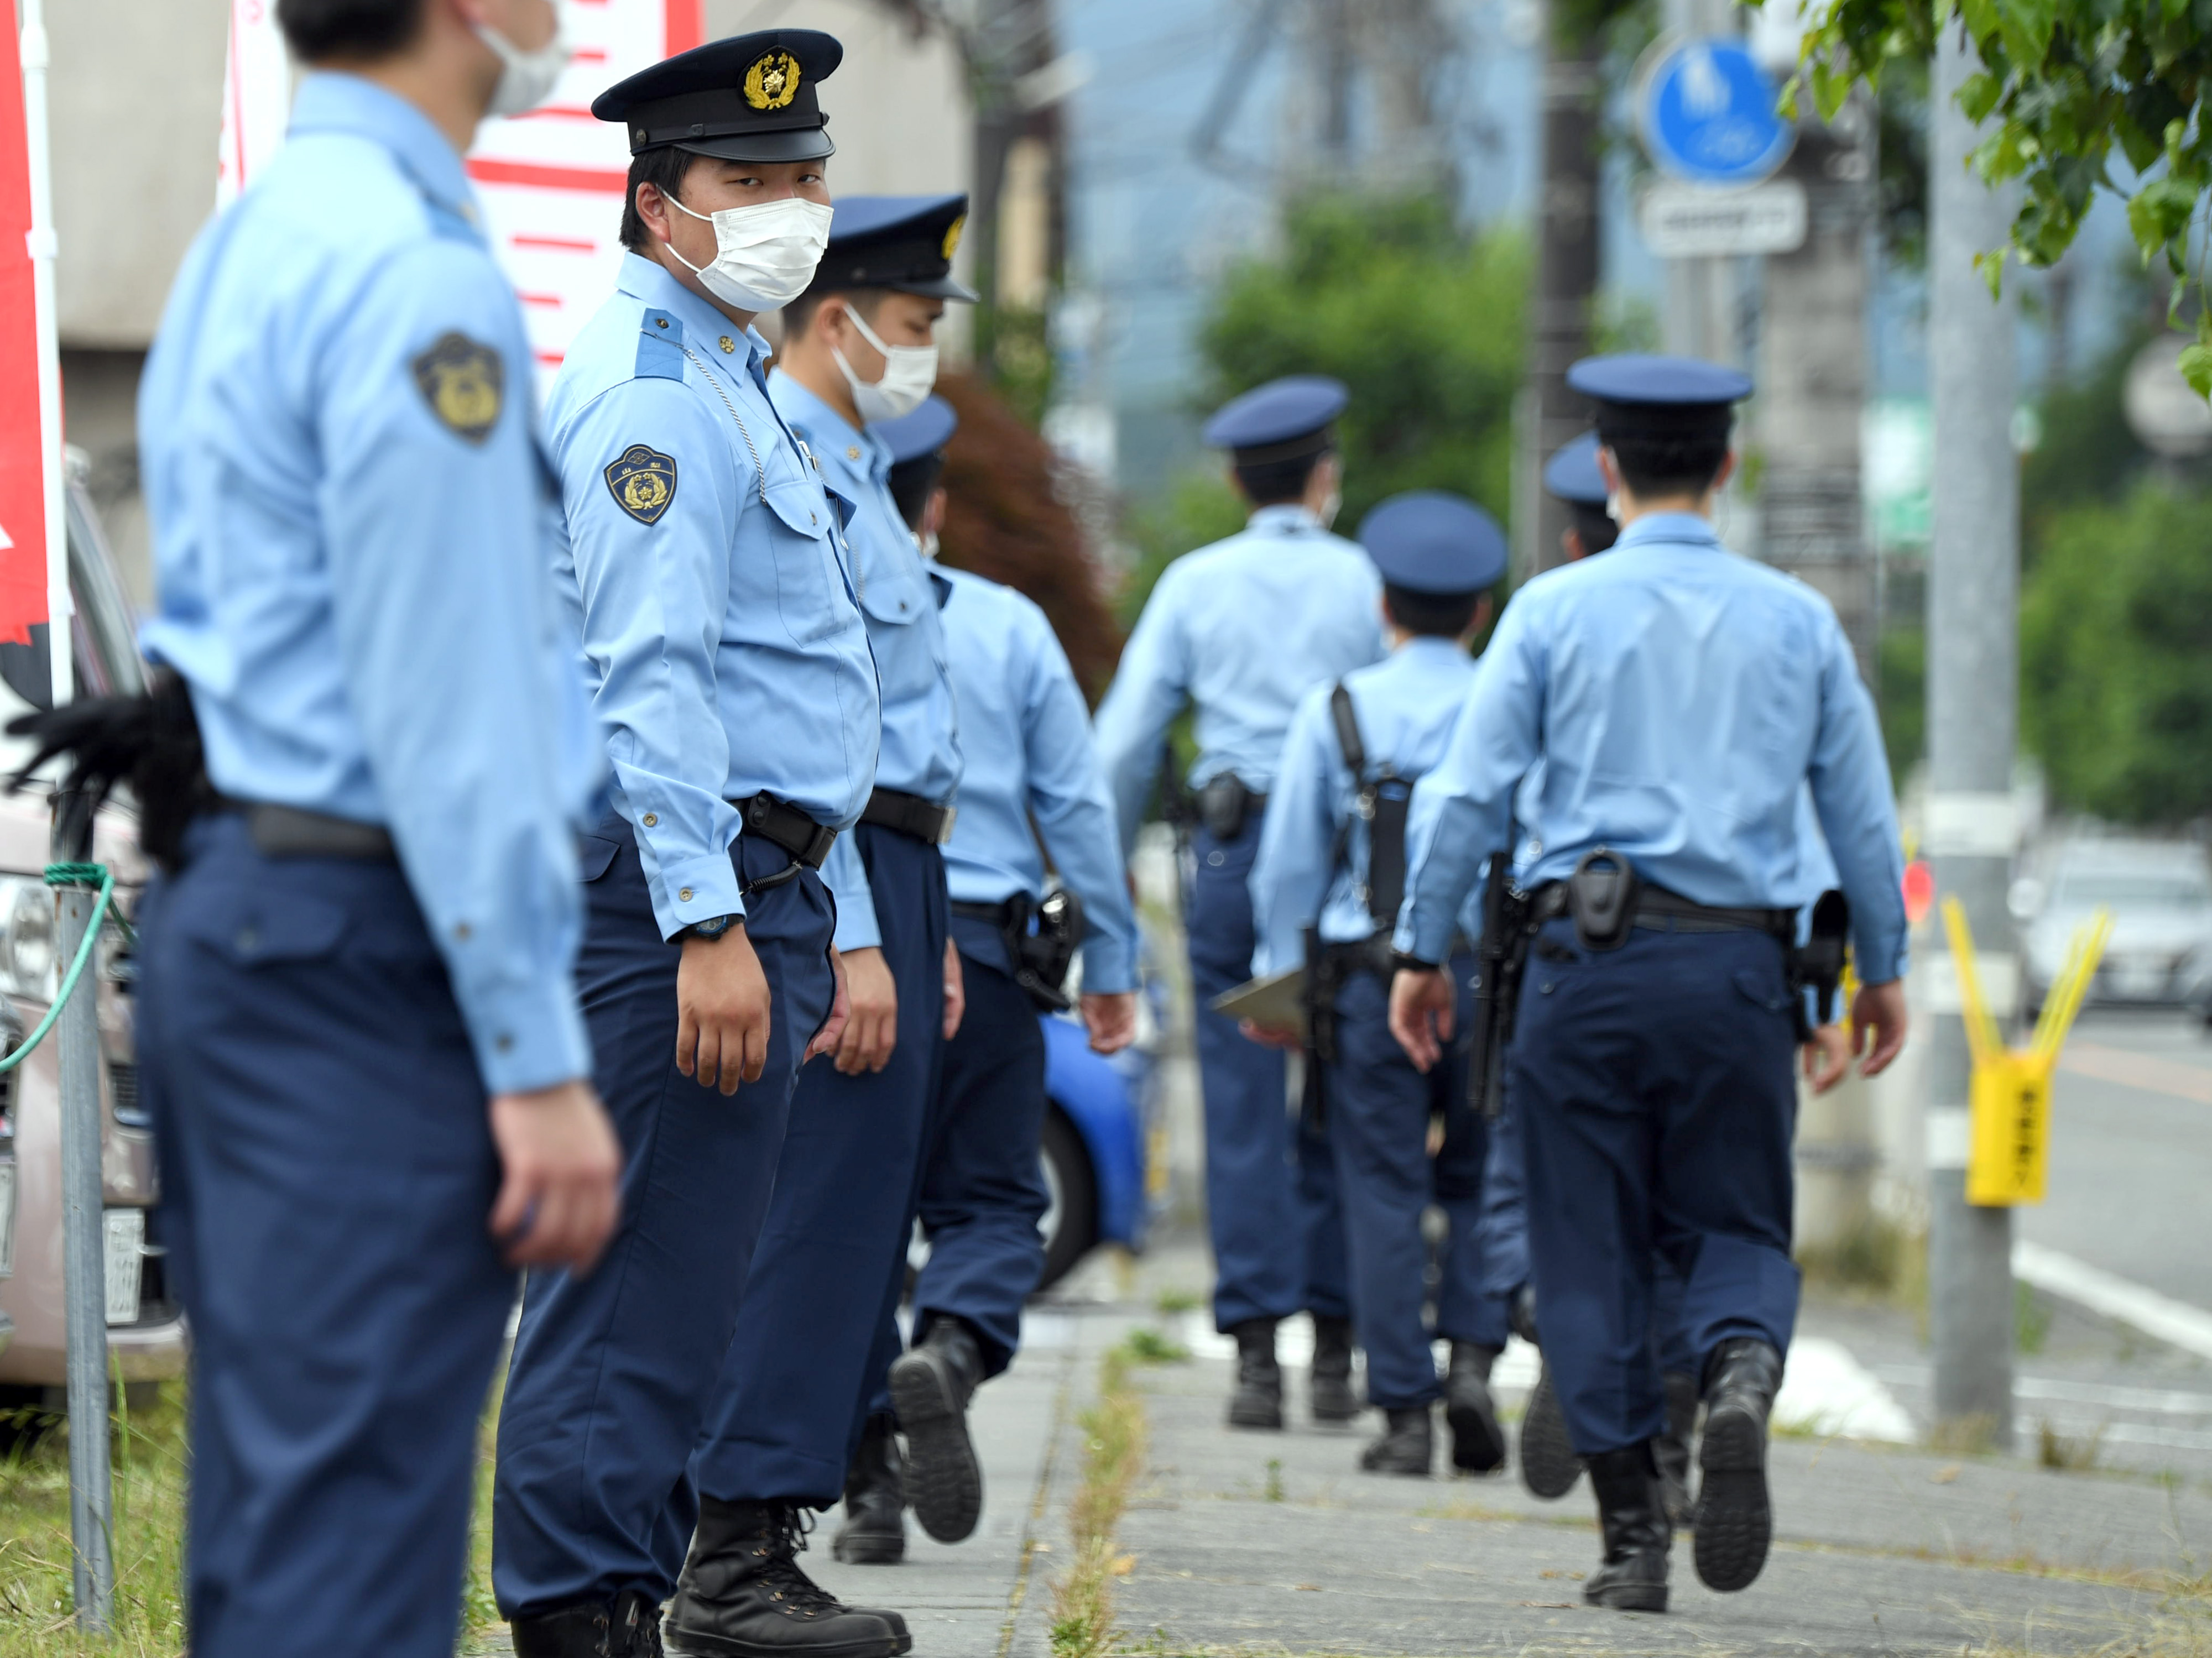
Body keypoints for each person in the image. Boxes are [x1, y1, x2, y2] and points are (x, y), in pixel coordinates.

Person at [117, 2, 623, 1654]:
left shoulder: (251, 239)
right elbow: (455, 693)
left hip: (250, 913)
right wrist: (539, 1061)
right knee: (351, 1550)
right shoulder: (419, 274)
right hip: (362, 950)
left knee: (279, 1523)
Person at [487, 32, 894, 1658]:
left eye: (807, 179)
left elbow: (791, 690)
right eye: (753, 184)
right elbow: (642, 683)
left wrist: (809, 907)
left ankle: (632, 1604)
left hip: (763, 886)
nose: (793, 209)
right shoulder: (653, 401)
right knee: (635, 1293)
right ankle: (580, 1619)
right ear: (663, 211)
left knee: (689, 1291)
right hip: (677, 907)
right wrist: (706, 923)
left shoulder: (733, 380)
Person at [1388, 354, 1910, 1613]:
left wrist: (1419, 948)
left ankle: (1631, 1542)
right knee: (1732, 1221)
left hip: (1581, 969)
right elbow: (1858, 814)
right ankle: (1736, 1373)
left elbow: (1465, 798)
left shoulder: (1548, 613)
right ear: (1726, 469)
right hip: (1737, 968)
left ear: (1607, 472)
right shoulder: (1797, 621)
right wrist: (1879, 972)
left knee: (1585, 1246)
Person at [679, 195, 972, 1643]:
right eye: (912, 329)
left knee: (855, 1230)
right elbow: (787, 733)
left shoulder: (849, 465)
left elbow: (882, 724)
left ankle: (757, 1538)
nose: (921, 356)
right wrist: (859, 925)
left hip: (899, 878)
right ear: (834, 318)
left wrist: (929, 926)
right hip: (833, 876)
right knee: (810, 1223)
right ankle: (731, 1554)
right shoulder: (787, 462)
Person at [831, 394, 1146, 1563]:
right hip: (988, 954)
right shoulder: (1009, 628)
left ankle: (866, 1500)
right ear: (939, 507)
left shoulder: (817, 619)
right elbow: (1077, 802)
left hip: (845, 946)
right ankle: (952, 1351)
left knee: (849, 1222)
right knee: (993, 1201)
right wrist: (1108, 962)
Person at [1092, 376, 1380, 1431]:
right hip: (1352, 868)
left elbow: (1124, 746)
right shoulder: (1366, 581)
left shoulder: (1194, 584)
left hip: (1231, 854)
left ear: (1231, 480)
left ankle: (1257, 1360)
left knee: (1245, 1105)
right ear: (1325, 480)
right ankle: (1343, 1351)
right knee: (1351, 1102)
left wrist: (1105, 866)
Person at [1243, 490, 1513, 1479]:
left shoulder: (1338, 708)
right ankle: (1477, 1361)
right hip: (1490, 979)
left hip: (1368, 985)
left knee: (1382, 1188)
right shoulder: (1505, 698)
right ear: (1479, 611)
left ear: (1384, 608)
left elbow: (1288, 869)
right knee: (1486, 1178)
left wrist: (1280, 980)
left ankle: (1403, 1416)